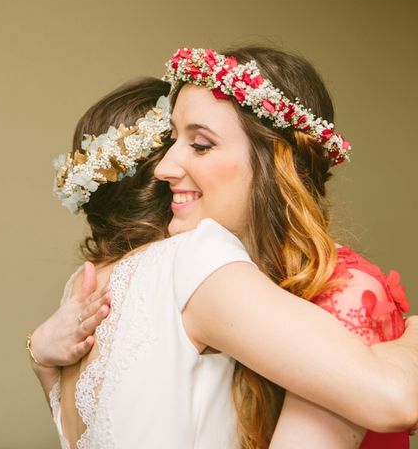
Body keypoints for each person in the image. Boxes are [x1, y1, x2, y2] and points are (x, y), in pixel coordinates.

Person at [28, 69, 417, 448]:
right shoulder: (194, 260)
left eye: (198, 145)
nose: (170, 168)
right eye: (177, 142)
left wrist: (39, 356)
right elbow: (393, 399)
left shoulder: (81, 287)